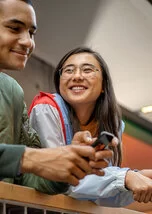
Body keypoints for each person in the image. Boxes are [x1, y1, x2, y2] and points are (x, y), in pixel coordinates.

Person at [0, 0, 112, 194]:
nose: (28, 41)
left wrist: (65, 167)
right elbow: (29, 160)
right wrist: (29, 158)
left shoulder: (12, 91)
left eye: (31, 33)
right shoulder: (46, 106)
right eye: (14, 28)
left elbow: (28, 177)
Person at [29, 47, 152, 206]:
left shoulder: (112, 125)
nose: (77, 76)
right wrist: (125, 177)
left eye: (87, 70)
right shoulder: (46, 109)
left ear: (103, 85)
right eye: (68, 70)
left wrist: (139, 179)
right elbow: (59, 178)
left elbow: (99, 196)